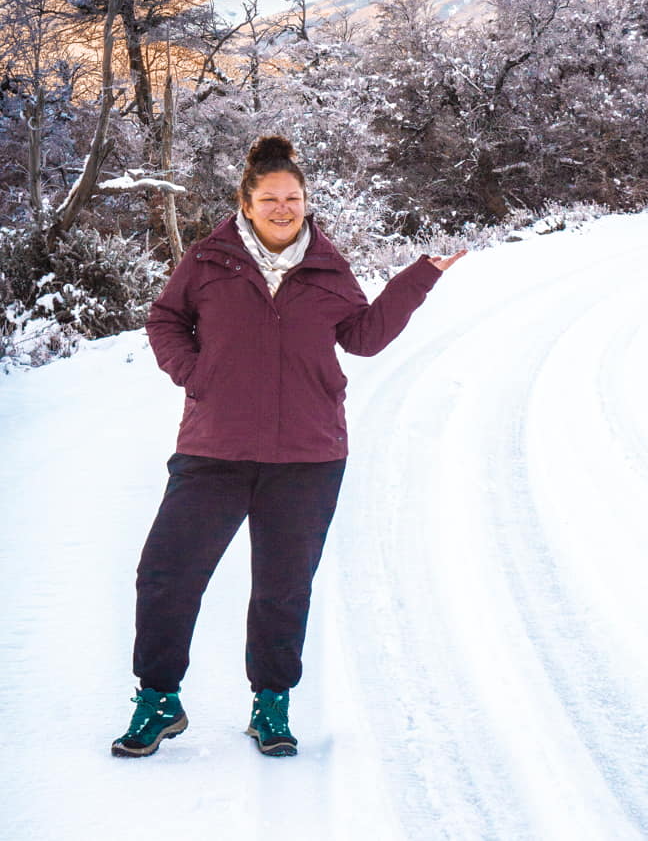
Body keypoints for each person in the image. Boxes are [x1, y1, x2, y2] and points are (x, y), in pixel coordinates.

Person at [111, 134, 465, 759]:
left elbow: (362, 338)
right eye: (270, 198)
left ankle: (271, 703)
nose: (283, 207)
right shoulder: (208, 259)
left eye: (293, 197)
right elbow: (166, 318)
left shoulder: (328, 268)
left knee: (283, 586)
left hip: (307, 454)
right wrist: (196, 373)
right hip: (215, 446)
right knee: (166, 574)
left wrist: (417, 280)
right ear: (246, 204)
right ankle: (158, 700)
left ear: (306, 202)